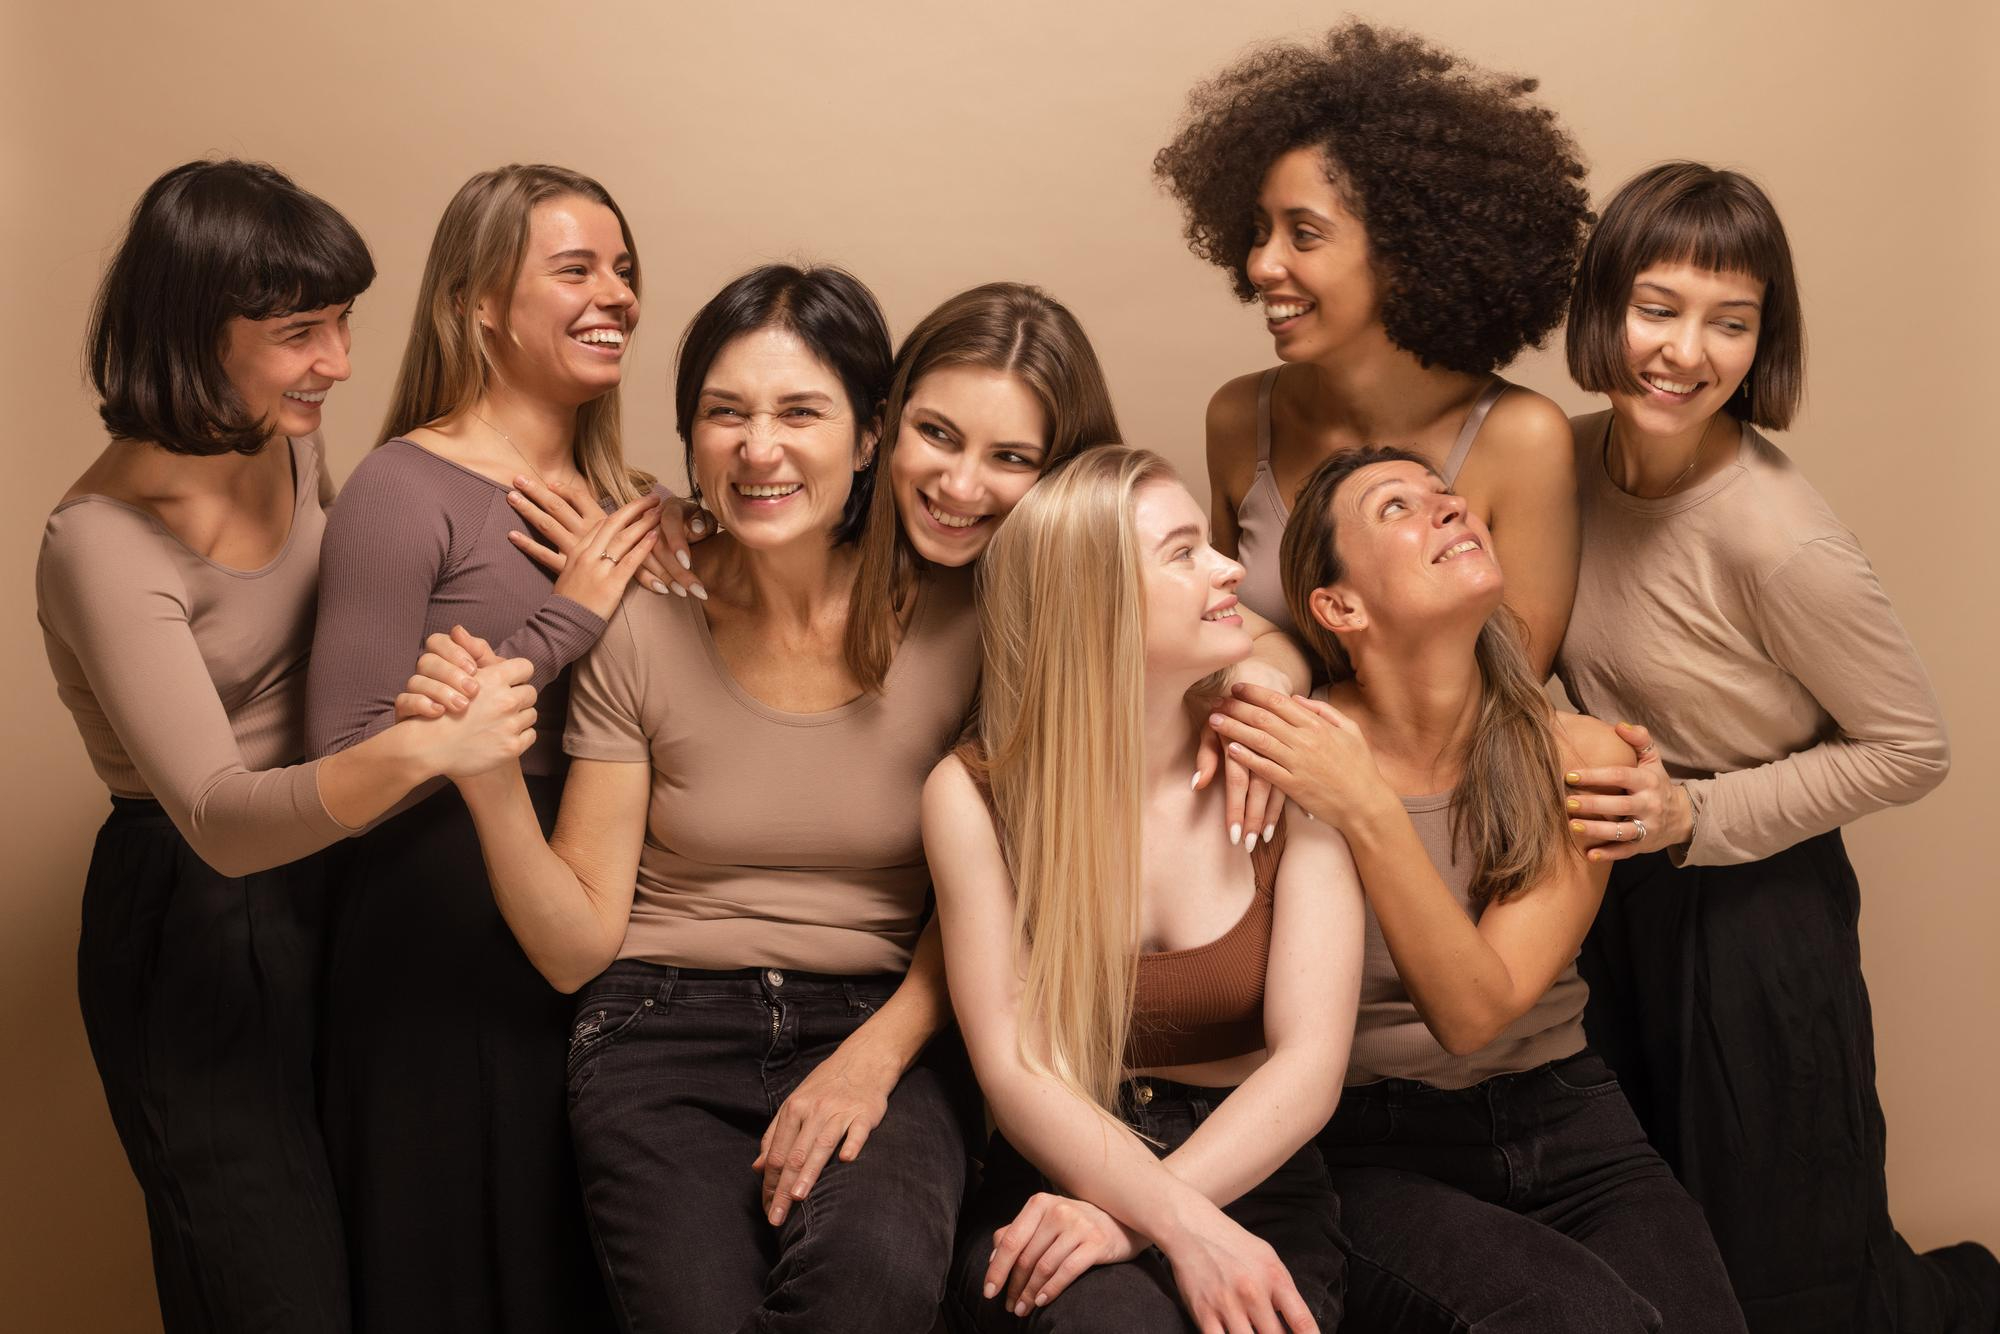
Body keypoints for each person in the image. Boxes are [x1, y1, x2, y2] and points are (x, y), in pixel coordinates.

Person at [36, 158, 536, 1334]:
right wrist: (435, 744)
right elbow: (219, 816)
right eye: (299, 333)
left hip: (336, 877)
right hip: (198, 920)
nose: (339, 362)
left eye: (343, 321)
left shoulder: (286, 439)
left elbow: (364, 629)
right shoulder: (100, 541)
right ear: (191, 334)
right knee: (274, 1295)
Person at [448, 264, 980, 1332]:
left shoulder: (966, 614)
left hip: (886, 1020)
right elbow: (573, 947)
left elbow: (995, 901)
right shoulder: (641, 616)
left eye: (800, 412)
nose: (757, 448)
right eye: (724, 413)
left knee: (868, 1285)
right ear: (690, 438)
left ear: (870, 437)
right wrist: (486, 777)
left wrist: (871, 1060)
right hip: (661, 1025)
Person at [1553, 161, 2000, 1332]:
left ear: (1762, 342)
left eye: (1730, 321)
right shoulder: (1555, 463)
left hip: (1754, 906)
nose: (1684, 351)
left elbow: (1910, 746)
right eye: (1657, 306)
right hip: (1605, 884)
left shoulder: (1777, 537)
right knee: (1636, 1239)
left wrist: (1693, 815)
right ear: (1601, 305)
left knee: (1787, 1264)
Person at [1210, 446, 1745, 1331]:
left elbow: (1475, 1012)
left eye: (1446, 494)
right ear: (1339, 607)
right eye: (1396, 507)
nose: (1451, 508)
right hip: (1364, 1147)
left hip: (1568, 1120)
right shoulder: (1289, 750)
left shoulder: (1581, 756)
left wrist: (1365, 808)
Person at [507, 279, 1310, 844]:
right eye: (936, 435)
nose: (958, 486)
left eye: (1011, 457)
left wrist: (1259, 681)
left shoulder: (1081, 569)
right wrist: (674, 514)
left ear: (1058, 472)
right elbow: (761, 469)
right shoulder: (815, 546)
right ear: (882, 427)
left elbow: (1261, 638)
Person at [306, 163, 659, 1333]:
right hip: (440, 965)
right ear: (478, 305)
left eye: (622, 268)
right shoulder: (401, 488)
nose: (614, 293)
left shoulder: (631, 501)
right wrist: (567, 620)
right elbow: (345, 762)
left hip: (604, 946)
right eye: (574, 268)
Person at [925, 446, 1364, 1333]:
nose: (1231, 568)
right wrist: (1167, 1222)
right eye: (1184, 552)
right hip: (1064, 1168)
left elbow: (1311, 1065)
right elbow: (1013, 1067)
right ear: (1099, 604)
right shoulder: (973, 795)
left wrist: (1140, 1223)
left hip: (1255, 1174)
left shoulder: (1287, 754)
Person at [1154, 20, 1589, 673]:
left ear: (1404, 255)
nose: (1261, 265)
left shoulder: (1523, 439)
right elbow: (1222, 638)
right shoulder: (1240, 418)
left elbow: (1513, 692)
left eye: (1304, 234)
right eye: (1260, 231)